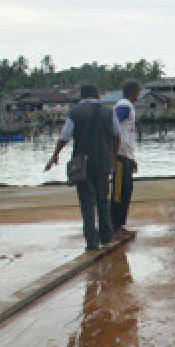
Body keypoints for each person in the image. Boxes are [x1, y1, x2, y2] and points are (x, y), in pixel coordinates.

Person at [46, 84, 121, 251]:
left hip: (83, 164)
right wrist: (113, 157)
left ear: (81, 96)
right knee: (103, 200)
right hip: (103, 162)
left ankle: (92, 243)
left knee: (87, 203)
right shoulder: (109, 112)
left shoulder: (75, 112)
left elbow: (64, 136)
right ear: (97, 96)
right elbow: (117, 136)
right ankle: (107, 238)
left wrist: (55, 155)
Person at [111, 80, 140, 240]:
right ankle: (115, 228)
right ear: (134, 92)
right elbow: (112, 123)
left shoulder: (126, 106)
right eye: (138, 92)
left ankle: (119, 225)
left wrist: (132, 157)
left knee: (126, 191)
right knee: (119, 192)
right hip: (120, 157)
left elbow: (126, 134)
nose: (138, 96)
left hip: (126, 156)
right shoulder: (125, 105)